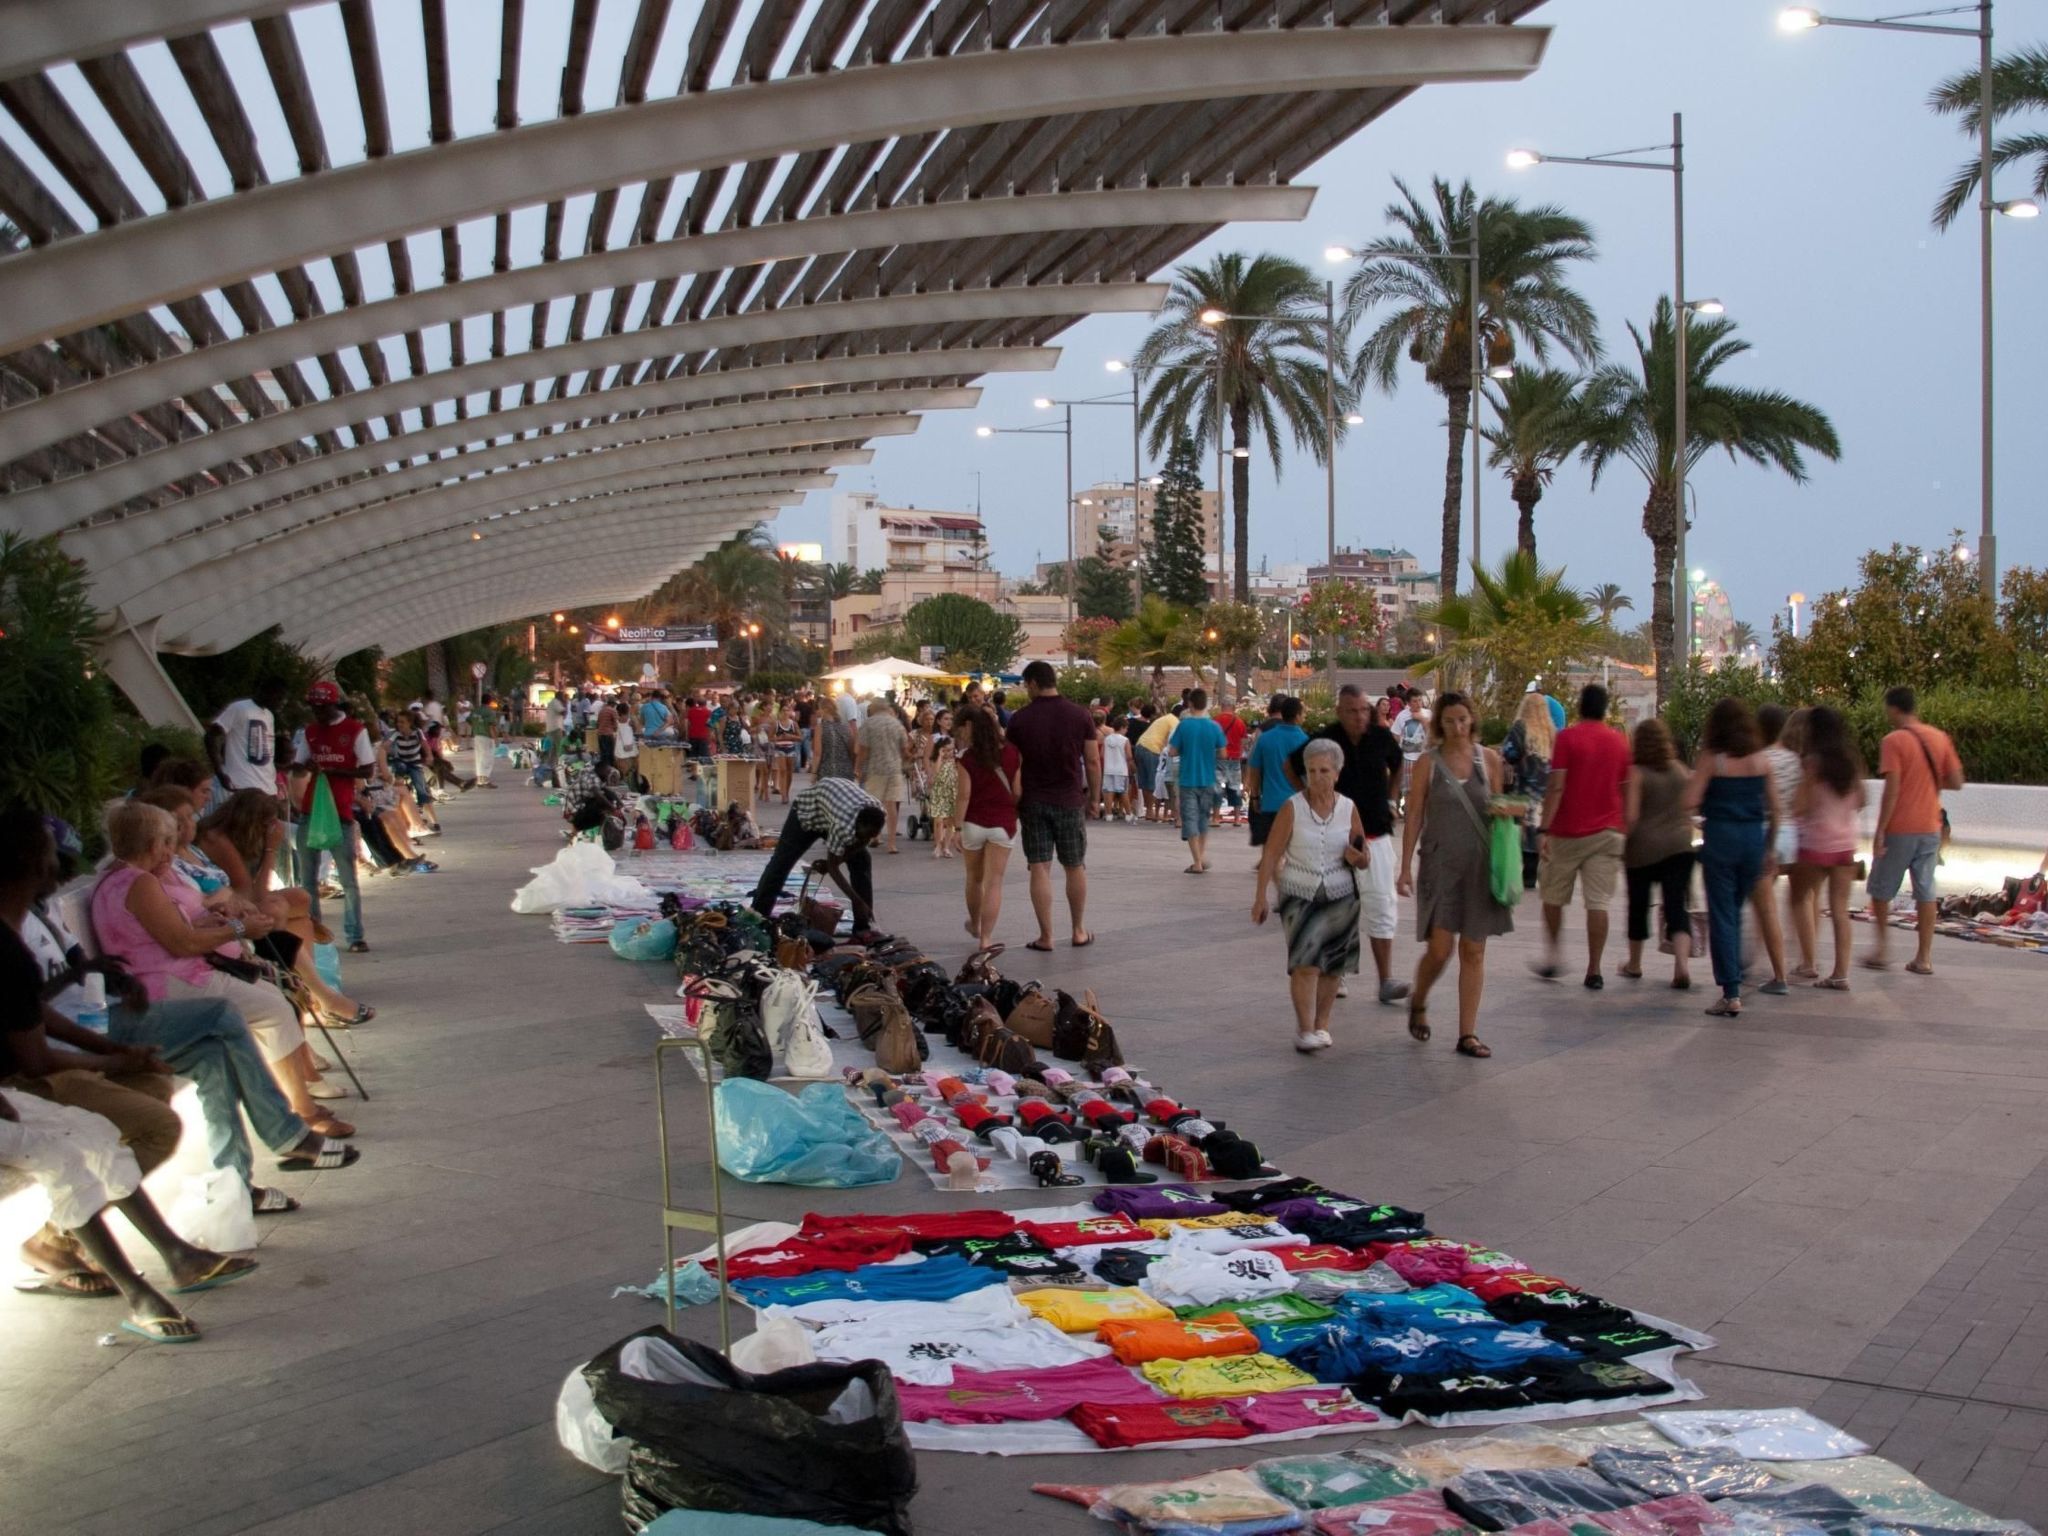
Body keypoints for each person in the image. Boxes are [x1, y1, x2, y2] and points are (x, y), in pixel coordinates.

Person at [1396, 691, 1511, 1058]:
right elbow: (1414, 814)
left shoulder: (1488, 760)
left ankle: (1467, 1034)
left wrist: (1511, 816)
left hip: (1479, 864)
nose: (1458, 727)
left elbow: (1498, 807)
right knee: (1440, 949)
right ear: (1439, 725)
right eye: (1450, 721)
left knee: (1474, 950)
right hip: (1440, 864)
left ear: (1472, 720)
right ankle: (1420, 998)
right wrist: (1404, 868)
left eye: (1462, 719)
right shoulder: (1429, 763)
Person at [1252, 738, 1376, 1054]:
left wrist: (1357, 856)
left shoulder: (1348, 807)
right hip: (1300, 893)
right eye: (1311, 770)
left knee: (1334, 965)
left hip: (1341, 895)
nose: (1317, 777)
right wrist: (1261, 896)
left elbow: (1364, 854)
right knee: (1305, 963)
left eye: (1324, 770)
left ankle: (1322, 1025)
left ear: (1337, 772)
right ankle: (1304, 1029)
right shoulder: (1293, 807)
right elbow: (1271, 853)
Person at [1287, 685, 1410, 1006]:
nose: (1359, 716)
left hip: (1375, 834)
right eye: (1352, 711)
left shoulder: (1381, 738)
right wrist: (1309, 798)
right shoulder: (1325, 741)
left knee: (1382, 904)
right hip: (1334, 837)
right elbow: (1292, 764)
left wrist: (1392, 798)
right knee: (1336, 906)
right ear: (1340, 711)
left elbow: (1398, 764)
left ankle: (1385, 979)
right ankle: (1335, 972)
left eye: (1363, 710)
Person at [1687, 697, 1788, 1016]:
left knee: (1723, 914)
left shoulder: (1712, 760)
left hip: (1721, 839)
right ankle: (1737, 971)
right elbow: (1776, 809)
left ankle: (1731, 991)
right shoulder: (1762, 761)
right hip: (1753, 841)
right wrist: (1770, 849)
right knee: (1736, 910)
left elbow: (1689, 800)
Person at [1535, 685, 1630, 989]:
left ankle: (1553, 954)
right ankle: (1594, 968)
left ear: (1579, 707)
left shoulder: (1566, 739)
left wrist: (1543, 827)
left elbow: (1557, 786)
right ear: (1605, 708)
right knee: (1598, 902)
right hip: (1607, 831)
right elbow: (1625, 787)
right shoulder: (1619, 742)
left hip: (1566, 832)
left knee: (1553, 896)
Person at [1866, 685, 1964, 975]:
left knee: (1881, 888)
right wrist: (1927, 782)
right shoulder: (1939, 737)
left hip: (1901, 827)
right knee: (1925, 891)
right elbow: (1957, 781)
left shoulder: (1893, 741)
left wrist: (1880, 830)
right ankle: (1924, 957)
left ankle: (1883, 950)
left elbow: (1892, 790)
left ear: (1894, 709)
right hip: (1931, 827)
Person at [1004, 660, 1101, 951]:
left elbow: (1011, 763)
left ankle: (1046, 936)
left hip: (1033, 801)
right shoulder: (1080, 715)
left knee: (1039, 867)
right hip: (1070, 799)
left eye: (1025, 684)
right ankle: (1078, 930)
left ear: (1033, 683)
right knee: (1074, 865)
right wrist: (1094, 798)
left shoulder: (1019, 719)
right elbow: (1093, 760)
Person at [292, 680, 373, 954]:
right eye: (314, 708)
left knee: (348, 878)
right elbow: (300, 764)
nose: (318, 713)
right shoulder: (311, 731)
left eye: (322, 708)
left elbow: (367, 769)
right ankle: (314, 932)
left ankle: (355, 934)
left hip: (340, 811)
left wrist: (336, 771)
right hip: (311, 810)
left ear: (333, 705)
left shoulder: (354, 730)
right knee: (307, 878)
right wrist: (306, 766)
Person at [1788, 705, 1866, 989]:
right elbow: (1862, 799)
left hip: (1816, 842)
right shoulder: (1850, 760)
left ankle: (1808, 962)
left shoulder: (1812, 762)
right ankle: (1840, 973)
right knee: (1840, 910)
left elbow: (1801, 805)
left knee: (1798, 897)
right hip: (1845, 843)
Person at [749, 780, 886, 937]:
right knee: (781, 863)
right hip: (807, 813)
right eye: (864, 836)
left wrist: (830, 864)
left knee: (862, 860)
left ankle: (863, 928)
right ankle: (758, 917)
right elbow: (834, 869)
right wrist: (856, 900)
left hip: (832, 809)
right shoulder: (843, 826)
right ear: (858, 826)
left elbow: (857, 845)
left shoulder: (878, 813)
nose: (866, 841)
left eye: (872, 837)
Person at [1620, 718, 1695, 989]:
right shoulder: (1680, 770)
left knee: (1638, 907)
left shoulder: (1637, 773)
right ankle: (1682, 967)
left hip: (1643, 849)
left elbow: (1631, 815)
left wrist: (1621, 845)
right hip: (1680, 847)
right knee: (1677, 907)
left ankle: (1635, 964)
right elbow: (1689, 808)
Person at [953, 705, 1021, 947]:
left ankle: (975, 923)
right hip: (1003, 823)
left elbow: (964, 795)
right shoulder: (1013, 753)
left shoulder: (966, 758)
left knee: (974, 877)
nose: (960, 736)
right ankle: (986, 938)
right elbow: (1017, 791)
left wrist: (956, 828)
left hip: (973, 823)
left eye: (961, 730)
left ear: (969, 727)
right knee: (995, 882)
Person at [1500, 689, 1555, 891]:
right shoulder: (1550, 731)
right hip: (1544, 790)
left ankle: (1524, 875)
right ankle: (1536, 872)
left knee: (1521, 832)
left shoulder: (1520, 728)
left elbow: (1509, 752)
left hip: (1523, 788)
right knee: (1537, 830)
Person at [1166, 689, 1226, 874]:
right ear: (1206, 704)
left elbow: (1172, 751)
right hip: (1207, 778)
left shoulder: (1184, 726)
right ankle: (1201, 855)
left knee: (1190, 819)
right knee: (1203, 819)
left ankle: (1197, 862)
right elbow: (1223, 753)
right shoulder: (1214, 727)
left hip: (1187, 779)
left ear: (1190, 704)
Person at [209, 675, 287, 805]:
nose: (281, 702)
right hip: (243, 785)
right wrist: (220, 771)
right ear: (268, 692)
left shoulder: (269, 715)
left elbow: (266, 752)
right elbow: (211, 736)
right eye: (279, 697)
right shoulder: (239, 708)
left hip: (266, 788)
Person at [1245, 696, 1308, 850]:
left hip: (1270, 803)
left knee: (1271, 850)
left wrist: (1254, 796)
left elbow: (1255, 770)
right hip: (1296, 805)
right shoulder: (1305, 741)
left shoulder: (1265, 739)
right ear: (1298, 716)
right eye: (1303, 713)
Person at [856, 694, 912, 854]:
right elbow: (904, 750)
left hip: (875, 769)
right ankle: (892, 843)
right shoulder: (897, 724)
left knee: (875, 805)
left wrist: (858, 767)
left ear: (873, 709)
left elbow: (863, 751)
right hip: (894, 769)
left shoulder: (868, 724)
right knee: (891, 805)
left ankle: (876, 836)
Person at [927, 708, 961, 859]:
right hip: (939, 777)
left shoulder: (955, 738)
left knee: (951, 816)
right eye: (946, 719)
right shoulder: (933, 738)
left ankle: (946, 845)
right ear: (939, 721)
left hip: (953, 778)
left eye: (950, 719)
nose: (949, 722)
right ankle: (938, 845)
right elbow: (928, 758)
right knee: (939, 817)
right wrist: (930, 775)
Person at [1133, 704, 1174, 824]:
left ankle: (1149, 811)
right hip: (1152, 749)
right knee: (1152, 782)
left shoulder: (1166, 718)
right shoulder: (1175, 722)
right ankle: (1151, 812)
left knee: (1145, 781)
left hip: (1140, 746)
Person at [1217, 703, 1250, 825]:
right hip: (1235, 758)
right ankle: (1237, 818)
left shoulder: (1215, 721)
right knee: (1235, 787)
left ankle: (1215, 817)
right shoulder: (1239, 722)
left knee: (1217, 787)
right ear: (1233, 708)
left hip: (1219, 758)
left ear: (1222, 708)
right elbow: (1244, 741)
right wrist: (1239, 751)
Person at [1100, 714, 1133, 821]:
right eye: (1126, 728)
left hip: (1108, 769)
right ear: (1122, 727)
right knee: (1123, 792)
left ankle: (1108, 814)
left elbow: (1101, 754)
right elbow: (1129, 756)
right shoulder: (1125, 740)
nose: (1127, 730)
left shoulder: (1107, 739)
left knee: (1108, 792)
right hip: (1121, 770)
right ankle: (1128, 814)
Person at [471, 692, 501, 786]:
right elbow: (491, 726)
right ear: (489, 701)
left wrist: (476, 727)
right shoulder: (490, 712)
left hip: (476, 736)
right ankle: (485, 780)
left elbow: (469, 720)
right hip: (486, 736)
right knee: (487, 758)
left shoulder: (475, 711)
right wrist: (496, 739)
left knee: (479, 757)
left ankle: (479, 779)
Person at [594, 694, 619, 778]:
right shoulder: (612, 711)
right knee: (610, 754)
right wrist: (615, 731)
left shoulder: (602, 710)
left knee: (603, 754)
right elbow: (616, 724)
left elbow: (598, 723)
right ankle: (610, 773)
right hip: (608, 734)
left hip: (600, 734)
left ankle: (602, 773)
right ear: (613, 704)